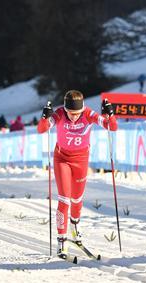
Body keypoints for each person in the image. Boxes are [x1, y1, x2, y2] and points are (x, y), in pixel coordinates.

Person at [37, 91, 117, 257]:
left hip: (81, 160)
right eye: (71, 114)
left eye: (77, 114)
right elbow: (42, 130)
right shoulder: (59, 114)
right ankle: (61, 240)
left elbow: (112, 127)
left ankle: (74, 226)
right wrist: (45, 117)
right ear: (65, 109)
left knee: (77, 199)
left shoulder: (88, 114)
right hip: (62, 159)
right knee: (64, 199)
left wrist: (109, 114)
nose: (73, 117)